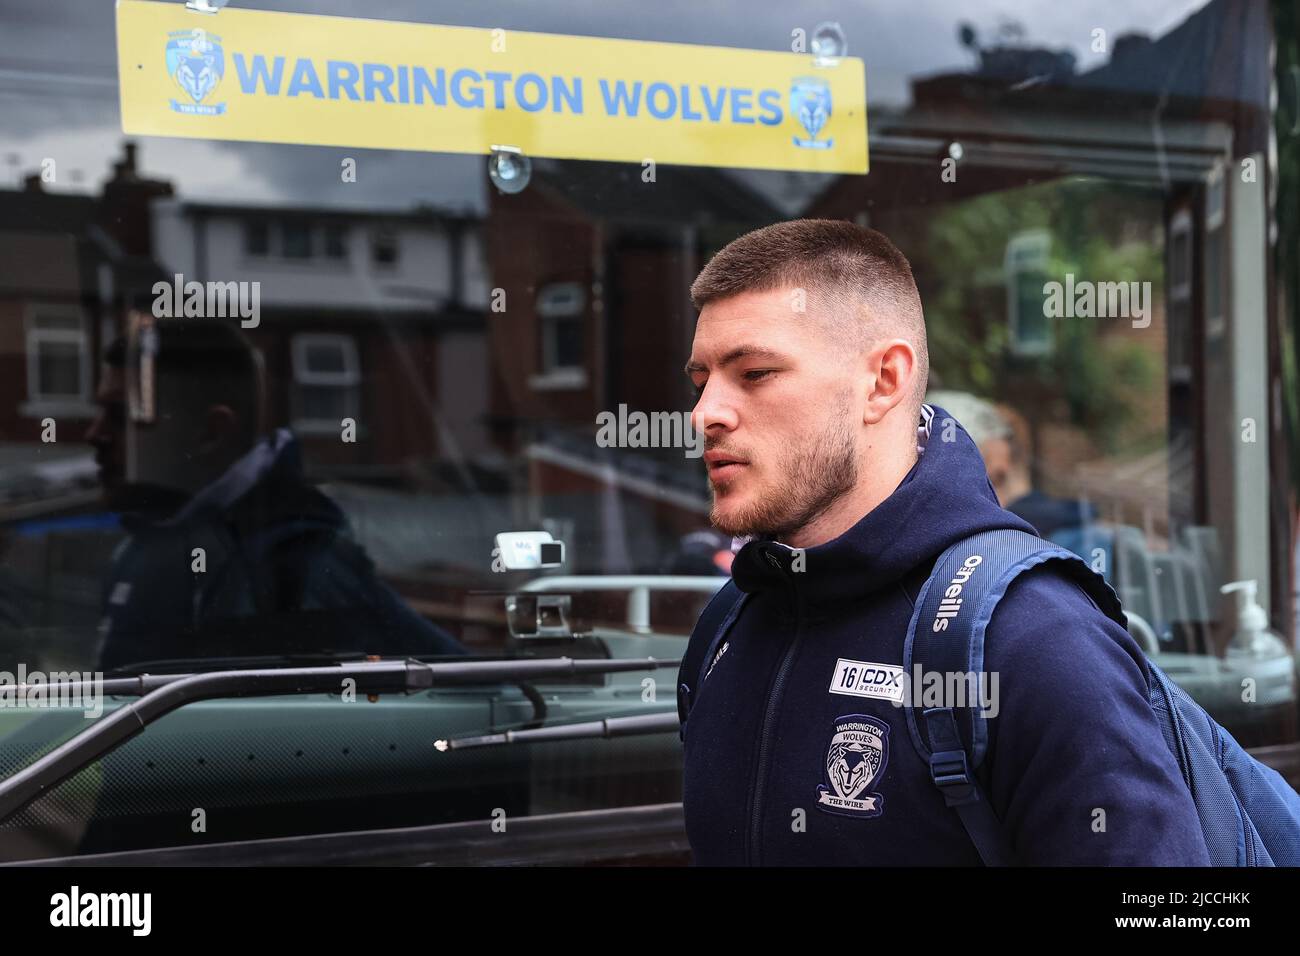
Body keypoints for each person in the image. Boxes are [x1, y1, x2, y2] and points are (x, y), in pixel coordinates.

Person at [676, 219, 1209, 865]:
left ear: (884, 381)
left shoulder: (1037, 641)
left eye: (754, 372)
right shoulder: (729, 624)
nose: (706, 413)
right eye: (702, 379)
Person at [85, 319, 463, 671]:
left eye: (122, 417)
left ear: (212, 433)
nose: (94, 434)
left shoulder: (294, 565)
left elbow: (455, 688)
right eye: (100, 412)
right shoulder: (147, 542)